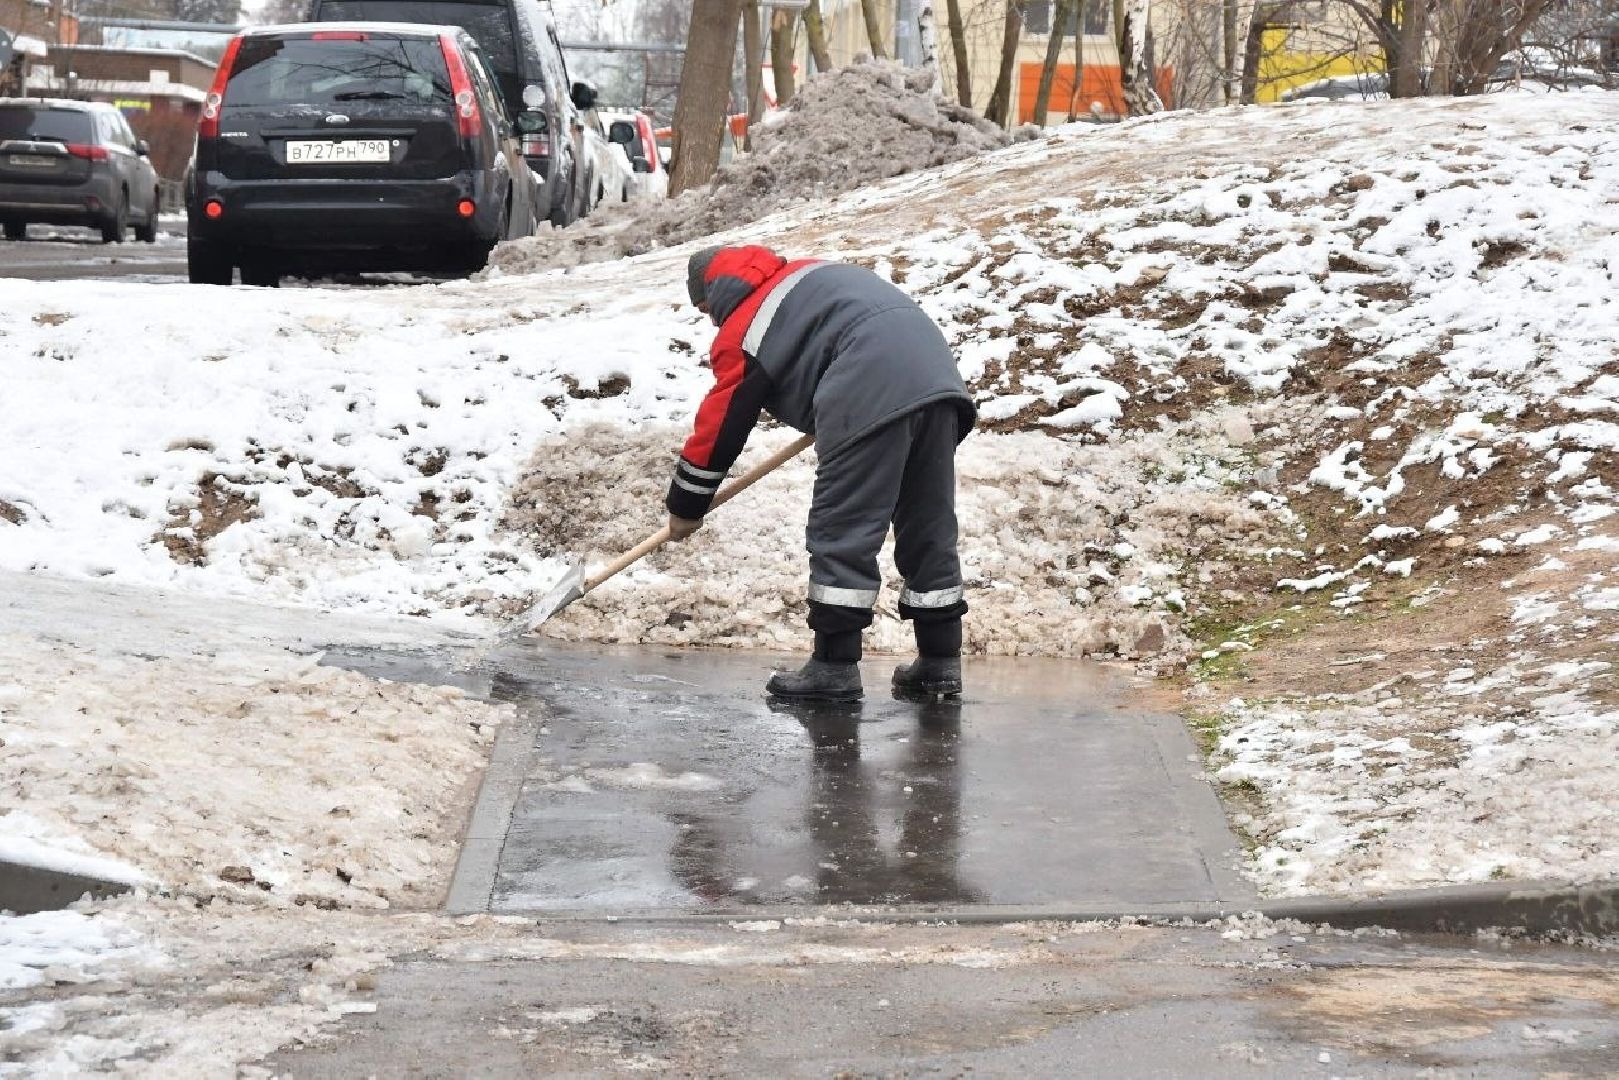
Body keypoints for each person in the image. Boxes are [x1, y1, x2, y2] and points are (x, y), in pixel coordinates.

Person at [667, 244, 975, 702]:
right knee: (927, 522)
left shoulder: (747, 325)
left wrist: (687, 503)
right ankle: (939, 664)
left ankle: (833, 669)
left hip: (867, 380)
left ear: (713, 292)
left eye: (706, 309)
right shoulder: (810, 278)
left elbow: (724, 419)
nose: (710, 318)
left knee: (843, 526)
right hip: (936, 380)